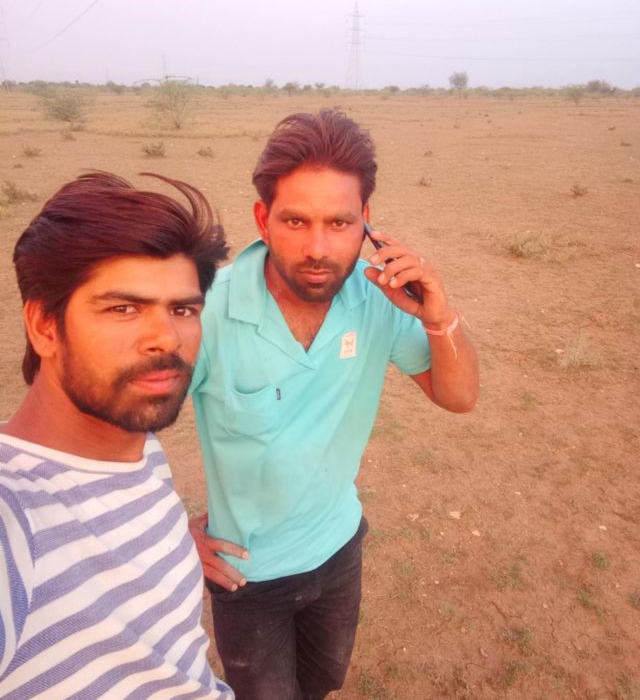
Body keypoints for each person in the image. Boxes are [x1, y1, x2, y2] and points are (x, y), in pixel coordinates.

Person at [189, 110, 479, 700]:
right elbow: (114, 432)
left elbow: (459, 396)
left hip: (340, 545)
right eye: (295, 220)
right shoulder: (207, 311)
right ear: (263, 220)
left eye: (339, 223)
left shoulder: (377, 299)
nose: (318, 249)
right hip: (247, 574)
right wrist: (170, 531)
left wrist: (439, 315)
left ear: (366, 221)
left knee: (323, 682)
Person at [0, 172, 234, 699]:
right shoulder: (16, 517)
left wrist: (171, 540)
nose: (166, 338)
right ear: (44, 326)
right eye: (123, 308)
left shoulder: (135, 440)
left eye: (182, 309)